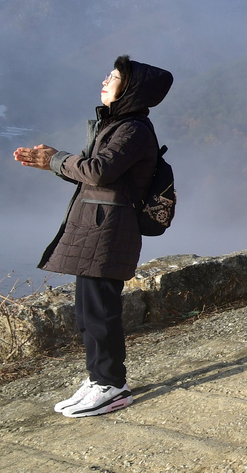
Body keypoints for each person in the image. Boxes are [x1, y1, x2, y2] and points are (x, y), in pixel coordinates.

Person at [14, 55, 173, 418]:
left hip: (110, 231)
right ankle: (98, 379)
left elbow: (98, 171)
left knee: (101, 313)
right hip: (97, 227)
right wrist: (50, 161)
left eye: (114, 77)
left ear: (131, 89)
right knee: (88, 312)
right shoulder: (115, 126)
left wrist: (56, 159)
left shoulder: (133, 129)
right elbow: (90, 172)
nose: (105, 80)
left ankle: (112, 386)